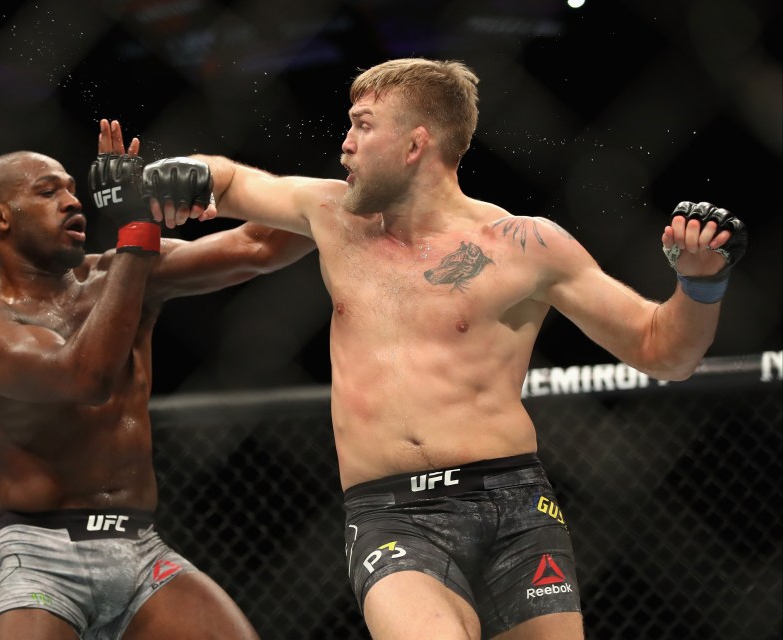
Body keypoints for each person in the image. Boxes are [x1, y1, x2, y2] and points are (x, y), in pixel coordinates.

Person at [142, 58, 748, 639]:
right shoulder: (331, 214)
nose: (345, 144)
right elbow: (233, 179)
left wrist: (699, 285)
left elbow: (665, 352)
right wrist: (179, 170)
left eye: (362, 126)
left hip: (516, 506)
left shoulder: (526, 245)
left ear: (415, 145)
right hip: (392, 516)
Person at [0, 119, 314, 640]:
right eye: (48, 192)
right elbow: (83, 377)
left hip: (141, 551)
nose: (72, 201)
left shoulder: (118, 272)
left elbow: (262, 247)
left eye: (73, 188)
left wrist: (223, 186)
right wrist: (137, 234)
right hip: (44, 557)